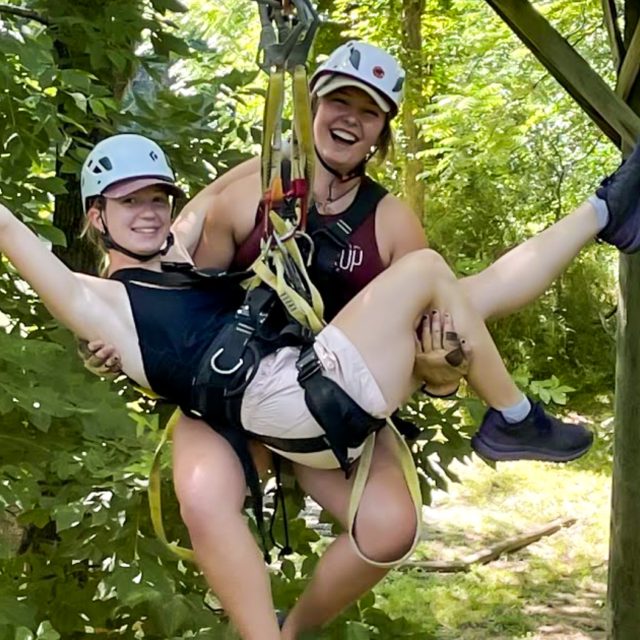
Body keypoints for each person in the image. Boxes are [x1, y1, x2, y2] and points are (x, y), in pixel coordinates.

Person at [0, 132, 599, 640]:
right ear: (96, 218)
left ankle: (604, 210)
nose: (150, 212)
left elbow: (235, 182)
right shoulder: (101, 303)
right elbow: (22, 246)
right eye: (129, 203)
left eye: (158, 198)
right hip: (297, 397)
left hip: (299, 386)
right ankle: (513, 419)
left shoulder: (174, 253)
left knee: (471, 294)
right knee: (427, 272)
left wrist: (288, 129)